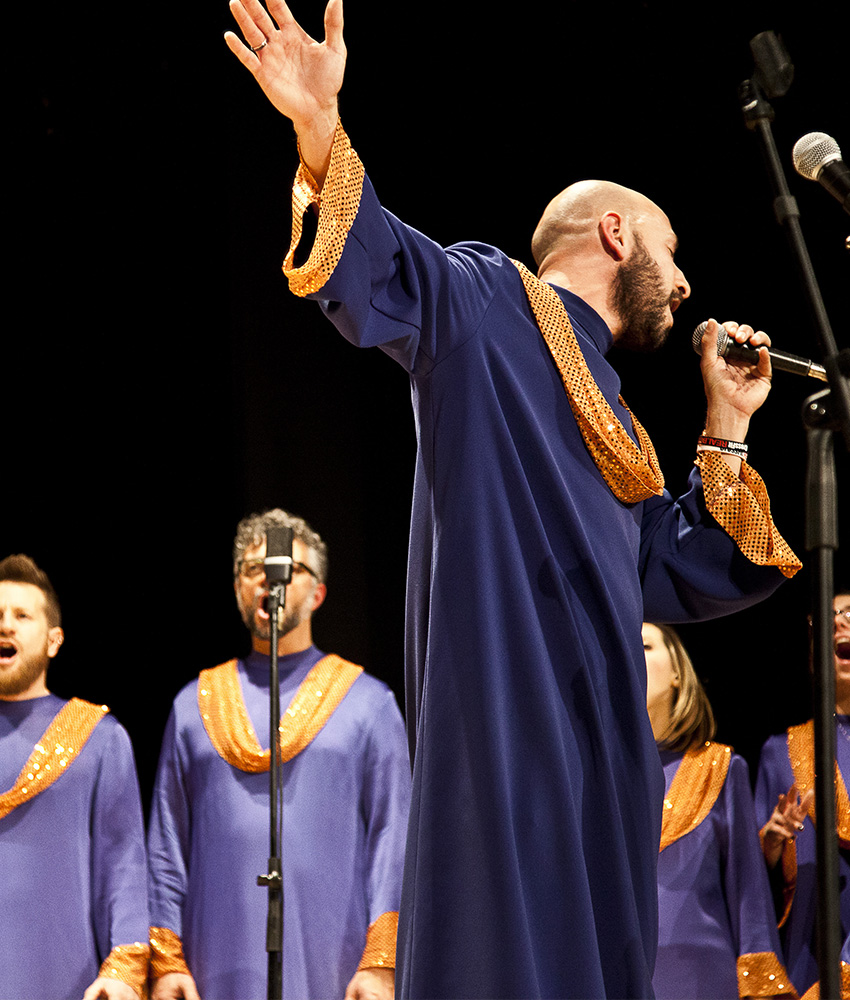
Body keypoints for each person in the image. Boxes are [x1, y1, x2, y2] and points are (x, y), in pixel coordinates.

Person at [223, 3, 802, 995]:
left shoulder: (623, 426)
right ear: (615, 232)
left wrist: (727, 422)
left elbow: (680, 570)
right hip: (503, 736)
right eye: (671, 247)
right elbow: (377, 272)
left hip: (602, 759)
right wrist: (319, 126)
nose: (684, 280)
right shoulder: (487, 305)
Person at [147, 508, 411, 1000]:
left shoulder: (369, 703)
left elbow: (393, 840)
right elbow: (167, 846)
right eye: (254, 569)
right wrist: (166, 962)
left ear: (318, 593)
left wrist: (382, 961)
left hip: (336, 970)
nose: (270, 581)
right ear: (238, 588)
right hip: (211, 968)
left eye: (288, 569)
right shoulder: (193, 706)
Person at [0, 554, 149, 1000]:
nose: (5, 625)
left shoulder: (98, 739)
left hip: (63, 981)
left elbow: (123, 862)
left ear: (54, 640)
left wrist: (124, 968)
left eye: (21, 616)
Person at [643, 621, 796, 999]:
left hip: (703, 978)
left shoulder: (719, 768)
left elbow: (748, 889)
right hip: (617, 972)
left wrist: (761, 982)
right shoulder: (596, 776)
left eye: (645, 646)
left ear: (678, 673)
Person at [755, 591, 850, 997]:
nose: (839, 622)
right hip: (814, 954)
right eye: (825, 618)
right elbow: (751, 882)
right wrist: (772, 845)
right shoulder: (781, 752)